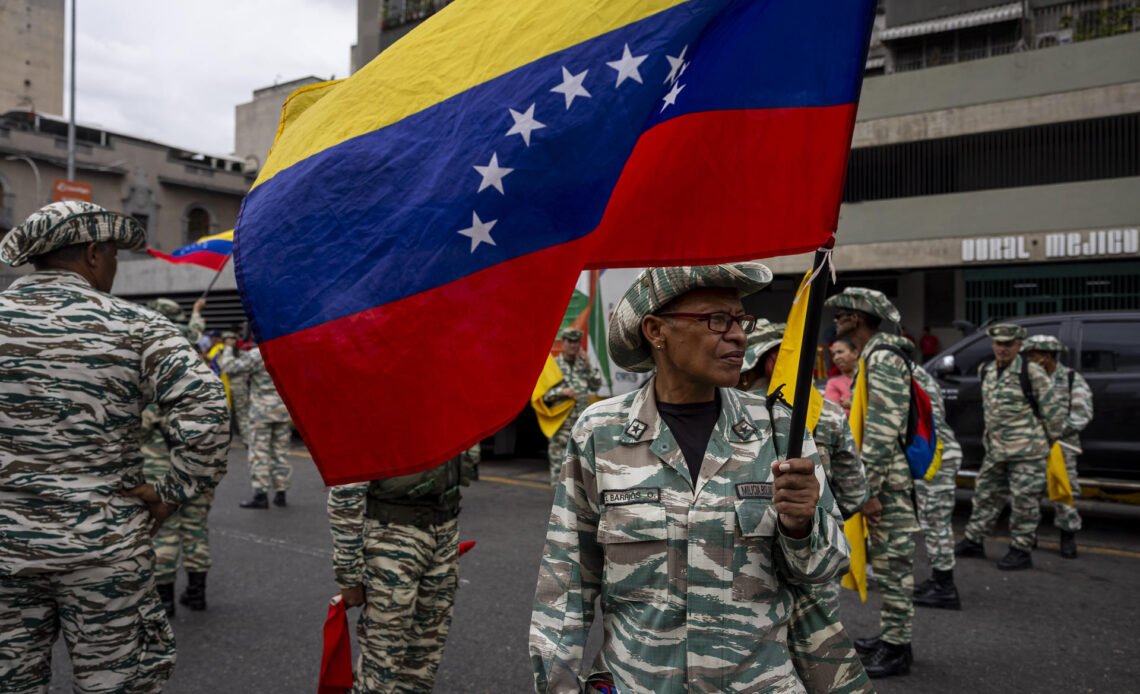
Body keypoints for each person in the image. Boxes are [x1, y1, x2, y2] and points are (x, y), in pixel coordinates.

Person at [530, 263, 849, 693]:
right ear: (655, 330)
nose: (738, 335)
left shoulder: (778, 430)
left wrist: (801, 526)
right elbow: (566, 590)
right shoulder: (600, 432)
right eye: (716, 319)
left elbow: (825, 571)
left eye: (741, 320)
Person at [0, 201, 229, 692]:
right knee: (115, 683)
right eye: (113, 257)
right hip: (104, 549)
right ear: (92, 254)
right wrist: (173, 491)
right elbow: (208, 413)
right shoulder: (137, 326)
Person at [738, 321, 871, 692]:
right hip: (815, 559)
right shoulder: (825, 413)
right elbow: (855, 490)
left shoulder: (724, 415)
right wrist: (817, 520)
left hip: (746, 571)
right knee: (816, 657)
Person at [328, 445, 479, 693]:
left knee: (424, 656)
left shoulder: (445, 411)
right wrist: (349, 576)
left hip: (444, 531)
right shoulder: (373, 413)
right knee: (383, 660)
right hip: (392, 537)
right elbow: (344, 498)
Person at [825, 287, 916, 678]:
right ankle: (891, 638)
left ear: (856, 318)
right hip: (886, 478)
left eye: (841, 315)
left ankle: (897, 648)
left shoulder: (881, 357)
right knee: (888, 560)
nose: (836, 321)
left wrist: (868, 492)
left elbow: (881, 430)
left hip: (886, 482)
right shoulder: (876, 355)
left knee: (894, 566)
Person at [955, 324, 1063, 571]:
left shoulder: (1031, 372)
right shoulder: (987, 370)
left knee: (1024, 503)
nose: (1002, 349)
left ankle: (1021, 549)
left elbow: (1053, 414)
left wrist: (1044, 443)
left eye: (1008, 344)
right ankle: (974, 540)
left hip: (1028, 452)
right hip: (996, 450)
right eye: (998, 344)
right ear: (993, 344)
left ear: (1019, 346)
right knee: (985, 496)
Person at [1021, 334, 1092, 559]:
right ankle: (1026, 536)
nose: (1028, 360)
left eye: (1032, 356)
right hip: (1030, 445)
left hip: (1061, 447)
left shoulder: (1071, 379)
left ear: (1047, 357)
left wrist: (1055, 433)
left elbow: (1082, 414)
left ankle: (1067, 536)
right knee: (1027, 493)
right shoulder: (1027, 379)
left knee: (1063, 493)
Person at [911, 364, 964, 610]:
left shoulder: (898, 372)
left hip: (935, 454)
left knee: (936, 521)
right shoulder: (917, 372)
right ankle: (938, 579)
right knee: (932, 520)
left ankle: (945, 588)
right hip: (935, 451)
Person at [219, 339, 294, 508]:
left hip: (262, 412)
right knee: (280, 452)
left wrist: (229, 348)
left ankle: (261, 494)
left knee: (259, 452)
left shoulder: (259, 353)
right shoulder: (288, 353)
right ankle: (281, 493)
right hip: (283, 410)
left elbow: (229, 367)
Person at [541, 328, 602, 486]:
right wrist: (561, 391)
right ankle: (558, 498)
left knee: (581, 463)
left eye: (576, 342)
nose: (574, 345)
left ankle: (577, 498)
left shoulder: (582, 365)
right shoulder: (554, 366)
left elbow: (596, 385)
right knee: (558, 463)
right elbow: (541, 395)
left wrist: (588, 364)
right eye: (570, 341)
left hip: (580, 424)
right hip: (561, 424)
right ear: (563, 343)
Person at [224, 330, 252, 445]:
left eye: (232, 339)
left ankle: (247, 439)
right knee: (225, 416)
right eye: (227, 339)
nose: (230, 341)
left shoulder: (241, 353)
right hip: (224, 386)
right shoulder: (220, 352)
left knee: (242, 414)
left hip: (239, 386)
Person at [824, 337, 858, 413]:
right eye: (833, 355)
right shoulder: (834, 383)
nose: (836, 357)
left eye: (840, 352)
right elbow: (832, 413)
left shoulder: (869, 377)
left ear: (855, 353)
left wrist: (851, 404)